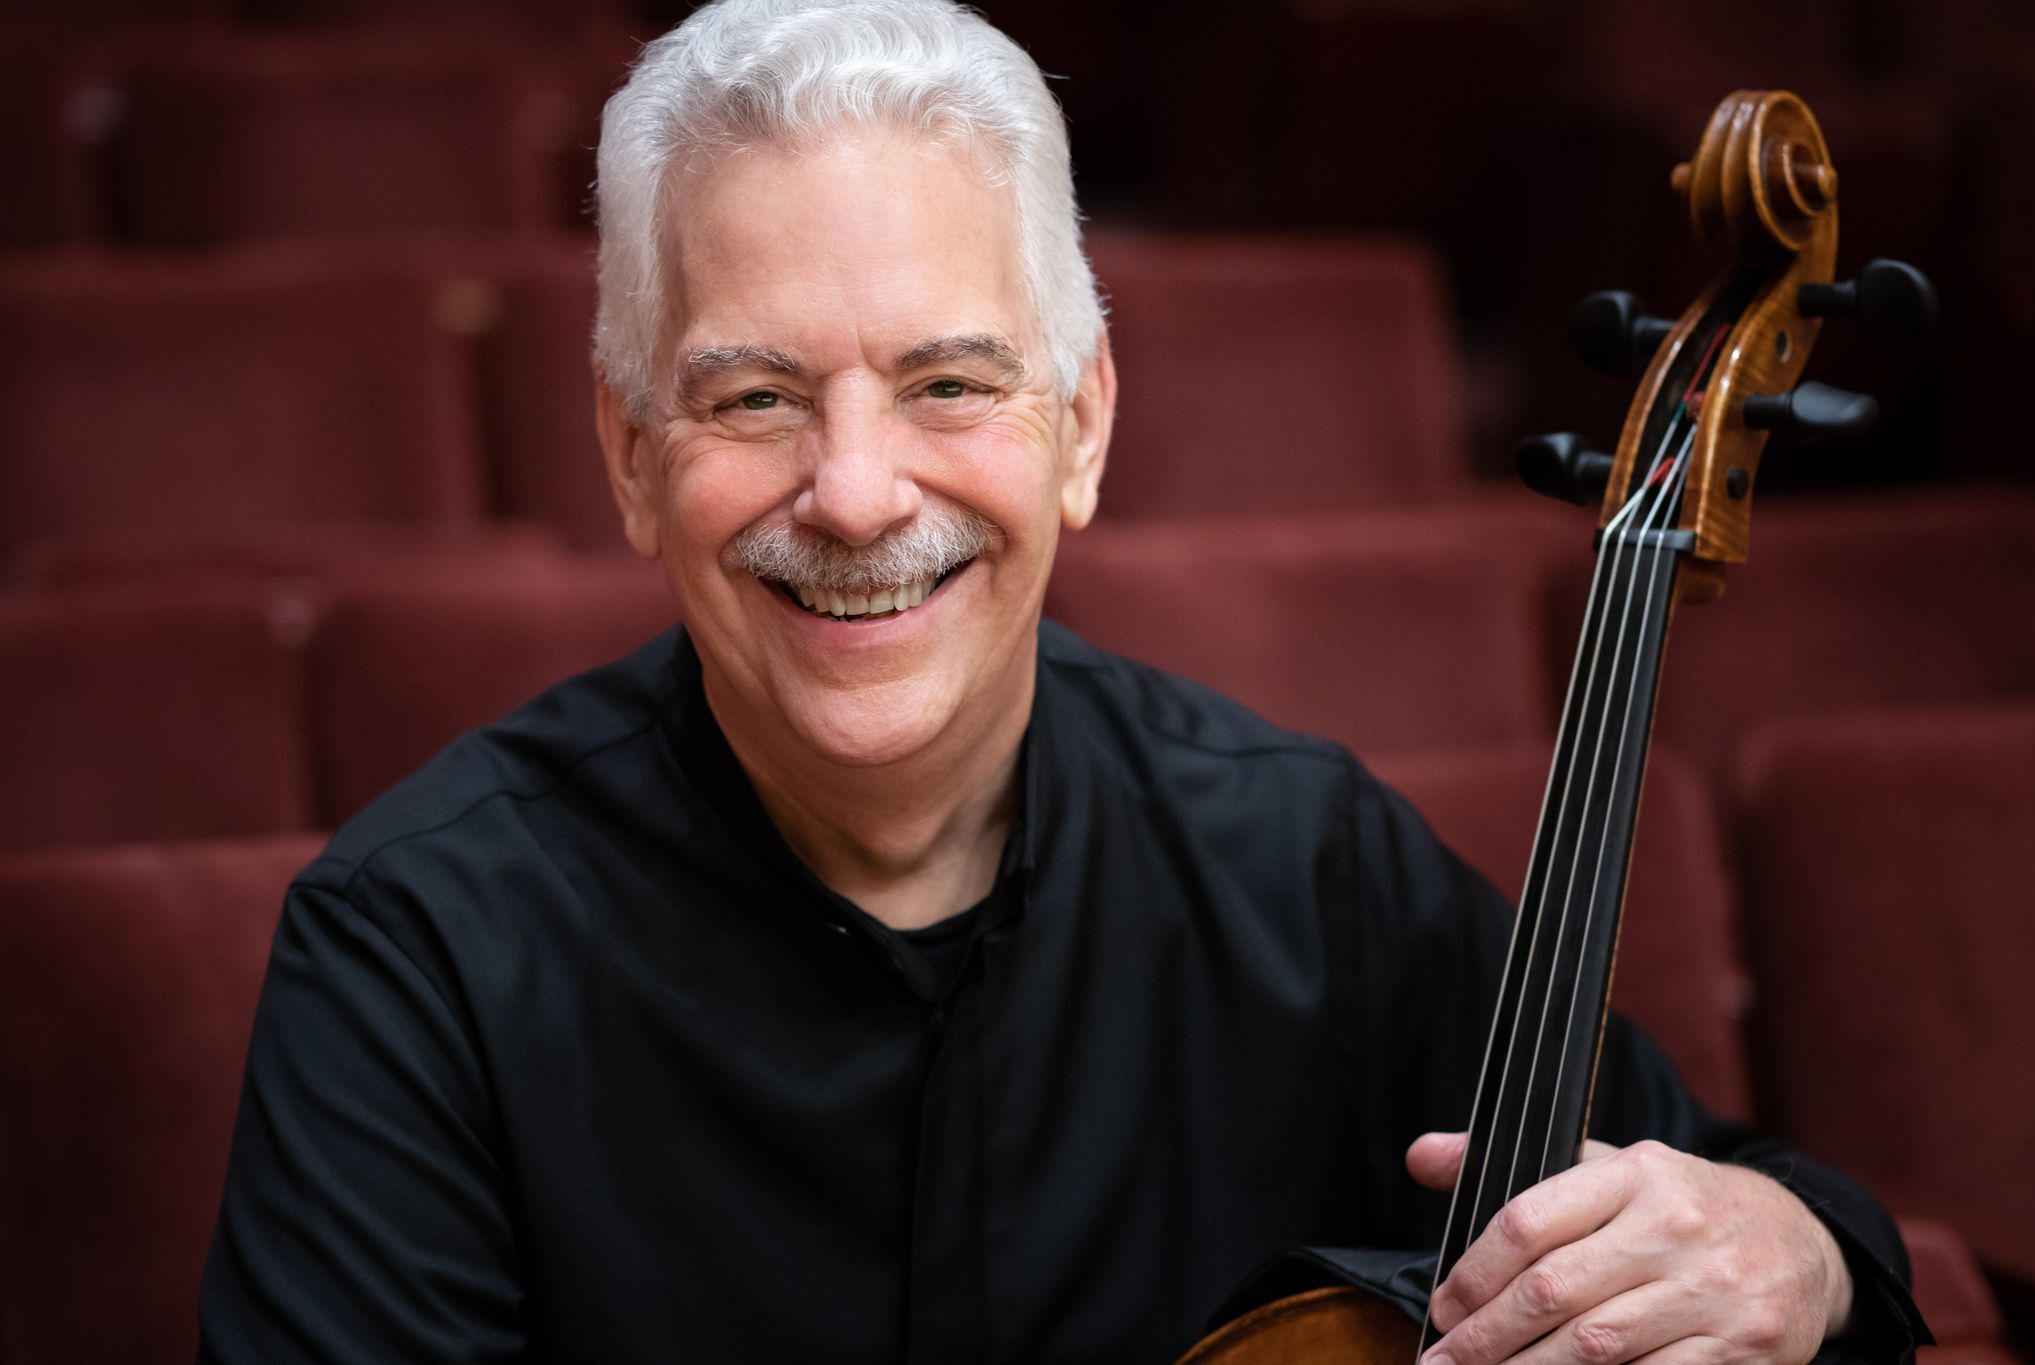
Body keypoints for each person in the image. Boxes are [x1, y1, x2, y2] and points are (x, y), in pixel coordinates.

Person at [197, 2, 1930, 1361]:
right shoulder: (412, 953)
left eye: (952, 382)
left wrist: (1788, 1256)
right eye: (753, 400)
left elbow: (1758, 1206)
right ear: (630, 455)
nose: (859, 491)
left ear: (1082, 426)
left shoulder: (1306, 867)